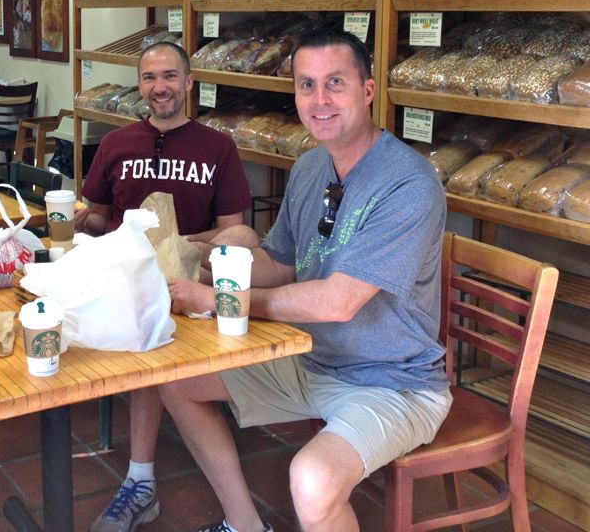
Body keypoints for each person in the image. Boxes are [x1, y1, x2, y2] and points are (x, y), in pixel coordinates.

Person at [158, 27, 451, 532]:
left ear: (367, 89)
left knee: (312, 481)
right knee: (174, 381)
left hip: (391, 382)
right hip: (309, 359)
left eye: (335, 82)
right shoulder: (311, 166)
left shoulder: (408, 183)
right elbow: (280, 261)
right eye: (306, 85)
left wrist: (224, 298)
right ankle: (245, 524)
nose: (320, 100)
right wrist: (203, 258)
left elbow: (339, 302)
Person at [77, 41, 258, 532]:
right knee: (143, 342)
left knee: (155, 345)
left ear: (189, 83)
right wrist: (80, 223)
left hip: (189, 279)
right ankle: (140, 480)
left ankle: (140, 481)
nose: (161, 87)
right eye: (151, 77)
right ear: (140, 85)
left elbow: (233, 230)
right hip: (123, 278)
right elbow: (95, 216)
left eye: (171, 77)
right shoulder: (115, 144)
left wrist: (173, 242)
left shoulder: (217, 147)